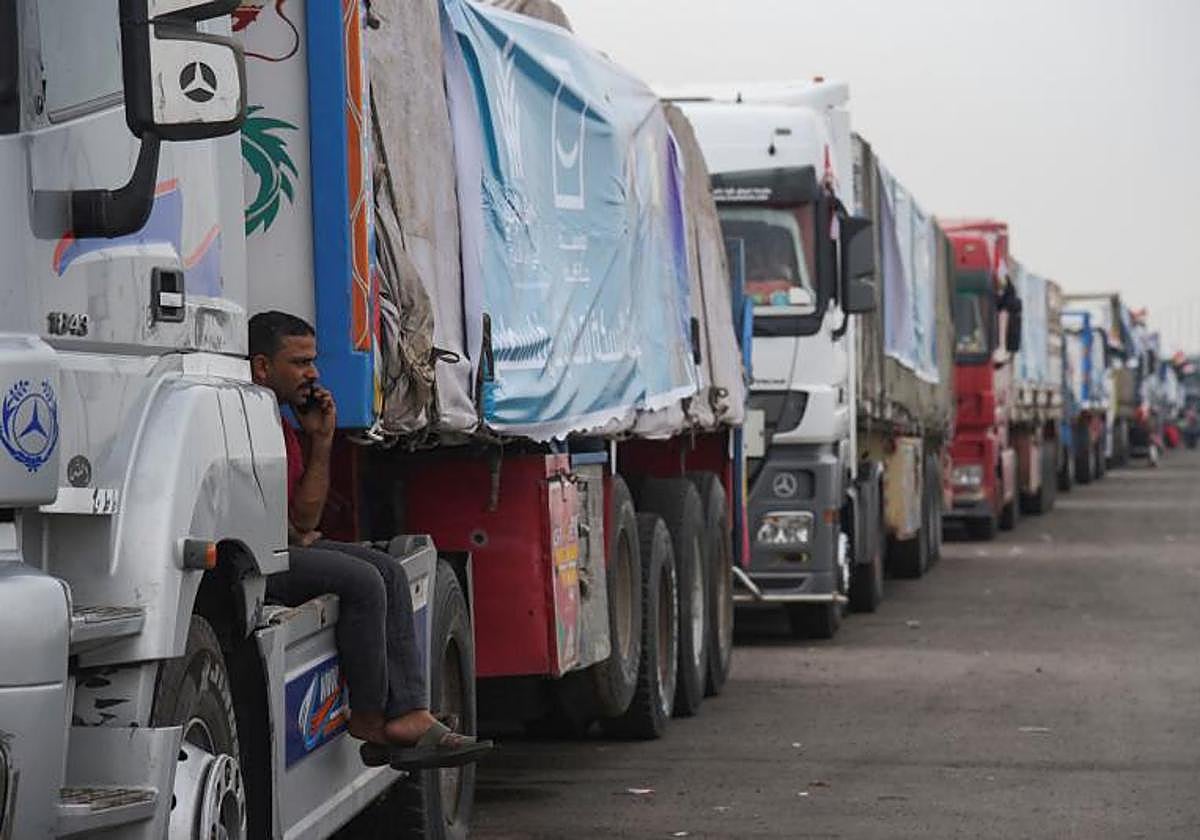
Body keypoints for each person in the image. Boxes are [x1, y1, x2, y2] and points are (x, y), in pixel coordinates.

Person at [249, 311, 490, 769]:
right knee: (363, 583)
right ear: (262, 367)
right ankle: (369, 716)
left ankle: (408, 714)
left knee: (391, 571)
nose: (313, 373)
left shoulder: (280, 422)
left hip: (284, 545)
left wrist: (320, 441)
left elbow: (303, 518)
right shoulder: (247, 416)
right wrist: (298, 533)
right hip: (258, 562)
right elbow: (299, 528)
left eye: (313, 361)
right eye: (299, 363)